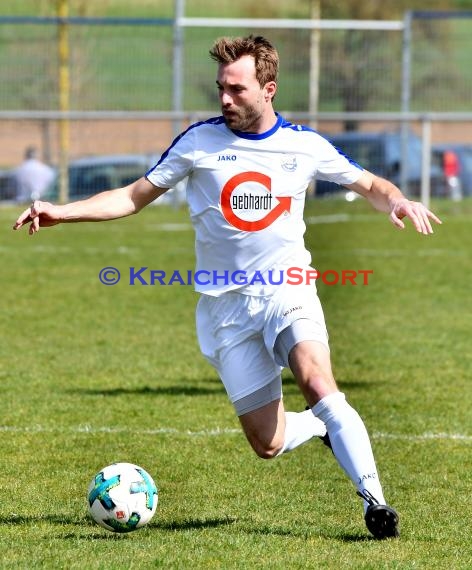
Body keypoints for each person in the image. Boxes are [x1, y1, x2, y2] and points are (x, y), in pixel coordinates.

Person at [13, 35, 442, 539]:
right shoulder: (198, 143)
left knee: (317, 380)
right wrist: (61, 211)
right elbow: (132, 196)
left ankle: (376, 502)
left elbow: (370, 184)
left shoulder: (303, 145)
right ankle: (322, 424)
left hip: (288, 290)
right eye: (220, 88)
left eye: (236, 90)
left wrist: (396, 200)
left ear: (269, 88)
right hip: (226, 309)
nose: (224, 99)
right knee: (269, 442)